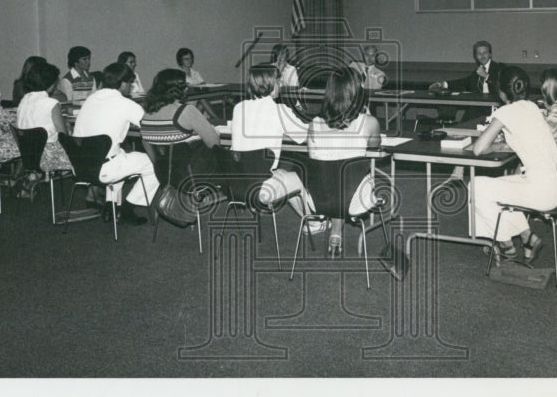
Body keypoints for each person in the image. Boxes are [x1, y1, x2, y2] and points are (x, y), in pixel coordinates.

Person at [470, 66, 552, 264]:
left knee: (476, 186)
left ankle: (507, 246)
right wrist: (498, 145)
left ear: (501, 91)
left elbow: (478, 149)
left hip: (542, 192)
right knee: (501, 185)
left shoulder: (506, 111)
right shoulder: (532, 107)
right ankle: (527, 237)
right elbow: (517, 143)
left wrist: (490, 144)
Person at [307, 67, 382, 256]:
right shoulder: (369, 122)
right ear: (357, 92)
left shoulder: (314, 124)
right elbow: (375, 146)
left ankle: (335, 230)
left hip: (319, 200)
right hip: (355, 199)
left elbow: (314, 158)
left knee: (335, 177)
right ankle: (337, 230)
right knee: (349, 179)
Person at [72, 62, 158, 225]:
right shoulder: (126, 104)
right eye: (130, 83)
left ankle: (111, 206)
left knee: (120, 155)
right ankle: (127, 209)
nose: (131, 87)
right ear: (123, 83)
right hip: (104, 168)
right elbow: (152, 128)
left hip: (80, 165)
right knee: (153, 165)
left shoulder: (91, 99)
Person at [229, 62, 312, 222]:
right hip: (263, 187)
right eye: (279, 81)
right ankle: (314, 223)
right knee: (298, 176)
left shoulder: (238, 107)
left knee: (281, 174)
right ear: (272, 84)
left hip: (237, 183)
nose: (281, 85)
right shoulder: (280, 110)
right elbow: (303, 136)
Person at [141, 68, 228, 182]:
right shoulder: (186, 111)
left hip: (164, 175)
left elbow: (146, 144)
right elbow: (214, 144)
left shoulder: (146, 115)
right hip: (194, 174)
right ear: (182, 89)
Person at [15, 61, 73, 176]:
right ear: (52, 84)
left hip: (27, 154)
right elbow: (63, 134)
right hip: (48, 156)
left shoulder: (25, 99)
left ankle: (32, 178)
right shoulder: (51, 103)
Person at [429, 40, 504, 98]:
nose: (482, 56)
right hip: (478, 105)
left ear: (490, 54)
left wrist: (486, 76)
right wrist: (443, 84)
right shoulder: (476, 72)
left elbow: (503, 87)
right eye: (479, 53)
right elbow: (463, 82)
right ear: (475, 57)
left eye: (485, 53)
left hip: (495, 106)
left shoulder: (500, 68)